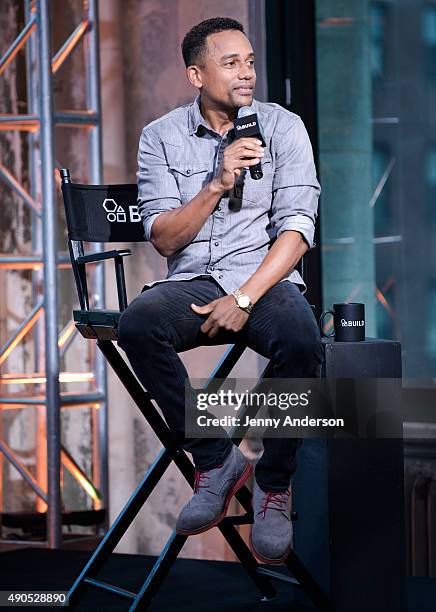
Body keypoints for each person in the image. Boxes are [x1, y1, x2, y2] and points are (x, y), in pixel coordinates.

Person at [117, 17, 323, 565]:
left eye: (250, 61)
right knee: (138, 322)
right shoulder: (160, 137)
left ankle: (274, 488)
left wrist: (246, 299)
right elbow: (163, 238)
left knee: (303, 340)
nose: (247, 73)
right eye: (231, 63)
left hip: (264, 277)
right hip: (193, 281)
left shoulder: (282, 127)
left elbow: (298, 230)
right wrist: (217, 183)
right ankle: (215, 461)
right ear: (195, 73)